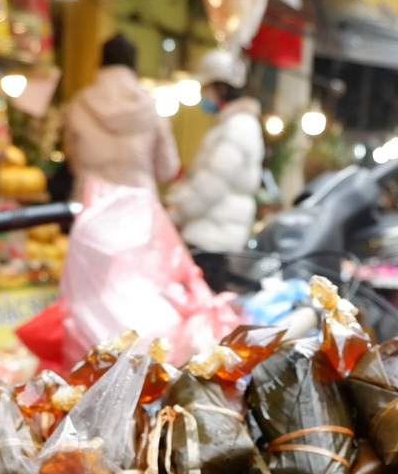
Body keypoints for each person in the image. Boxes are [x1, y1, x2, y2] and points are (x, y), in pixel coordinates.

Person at [162, 47, 264, 288]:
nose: (203, 95)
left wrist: (175, 213)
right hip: (211, 234)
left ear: (221, 88)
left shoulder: (238, 128)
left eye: (206, 88)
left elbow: (210, 184)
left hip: (212, 239)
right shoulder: (231, 125)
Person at [62, 32, 179, 200]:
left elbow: (73, 160)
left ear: (99, 63)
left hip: (91, 201)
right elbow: (167, 170)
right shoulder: (149, 107)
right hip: (138, 204)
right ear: (135, 66)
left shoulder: (80, 104)